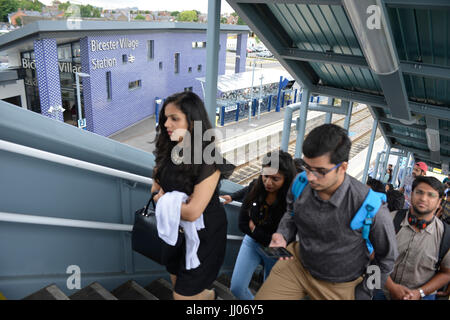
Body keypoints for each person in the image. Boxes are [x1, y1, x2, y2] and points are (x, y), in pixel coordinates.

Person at [254, 124, 398, 300]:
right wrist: (282, 234)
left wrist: (365, 292)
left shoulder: (370, 208)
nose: (310, 177)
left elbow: (386, 259)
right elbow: (291, 213)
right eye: (307, 167)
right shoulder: (300, 183)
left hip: (340, 285)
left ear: (342, 167)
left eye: (321, 171)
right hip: (297, 264)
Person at [150, 91, 235, 300]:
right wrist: (166, 199)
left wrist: (164, 199)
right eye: (165, 118)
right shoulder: (167, 151)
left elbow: (193, 212)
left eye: (174, 118)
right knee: (176, 279)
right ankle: (209, 297)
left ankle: (207, 296)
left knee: (182, 296)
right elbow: (154, 188)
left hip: (204, 236)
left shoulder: (209, 159)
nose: (166, 124)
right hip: (175, 231)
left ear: (192, 121)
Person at [220, 151, 296, 300]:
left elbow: (289, 235)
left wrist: (255, 229)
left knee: (270, 294)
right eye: (265, 176)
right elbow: (242, 225)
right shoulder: (256, 186)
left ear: (286, 179)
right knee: (236, 287)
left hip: (276, 251)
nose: (268, 182)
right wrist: (233, 197)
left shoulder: (290, 199)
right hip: (253, 243)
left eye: (275, 179)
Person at [374, 176, 450, 300]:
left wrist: (419, 293)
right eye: (419, 192)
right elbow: (372, 257)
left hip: (422, 295)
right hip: (381, 289)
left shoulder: (446, 235)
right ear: (410, 195)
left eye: (431, 195)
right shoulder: (388, 220)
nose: (423, 198)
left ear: (439, 202)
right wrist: (392, 287)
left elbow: (447, 273)